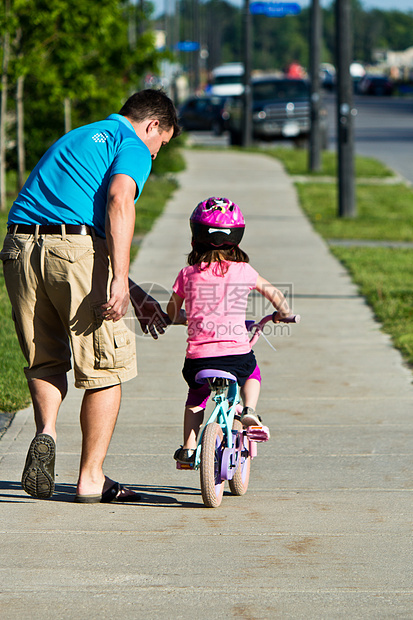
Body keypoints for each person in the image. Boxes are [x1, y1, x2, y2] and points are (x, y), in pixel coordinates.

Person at [0, 89, 180, 502]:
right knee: (106, 367)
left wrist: (130, 289)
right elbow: (119, 201)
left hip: (19, 247)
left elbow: (75, 218)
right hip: (73, 252)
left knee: (44, 357)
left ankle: (45, 432)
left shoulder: (79, 136)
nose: (155, 156)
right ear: (152, 125)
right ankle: (91, 478)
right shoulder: (131, 143)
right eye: (161, 145)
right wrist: (120, 281)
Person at [166, 197, 292, 465]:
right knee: (252, 372)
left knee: (195, 399)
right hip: (236, 357)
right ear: (236, 239)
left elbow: (171, 313)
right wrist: (283, 314)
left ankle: (188, 449)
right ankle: (249, 410)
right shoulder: (243, 270)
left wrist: (182, 318)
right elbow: (274, 293)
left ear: (195, 238)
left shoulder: (187, 274)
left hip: (198, 360)